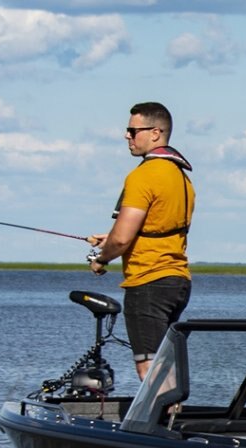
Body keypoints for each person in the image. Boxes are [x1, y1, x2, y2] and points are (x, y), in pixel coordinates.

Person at [87, 101, 195, 381]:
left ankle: (162, 411)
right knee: (165, 364)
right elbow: (157, 226)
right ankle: (172, 408)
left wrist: (101, 258)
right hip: (177, 282)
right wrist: (111, 238)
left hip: (148, 281)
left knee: (149, 367)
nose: (127, 136)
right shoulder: (181, 177)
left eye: (133, 131)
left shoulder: (143, 175)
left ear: (155, 133)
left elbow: (122, 239)